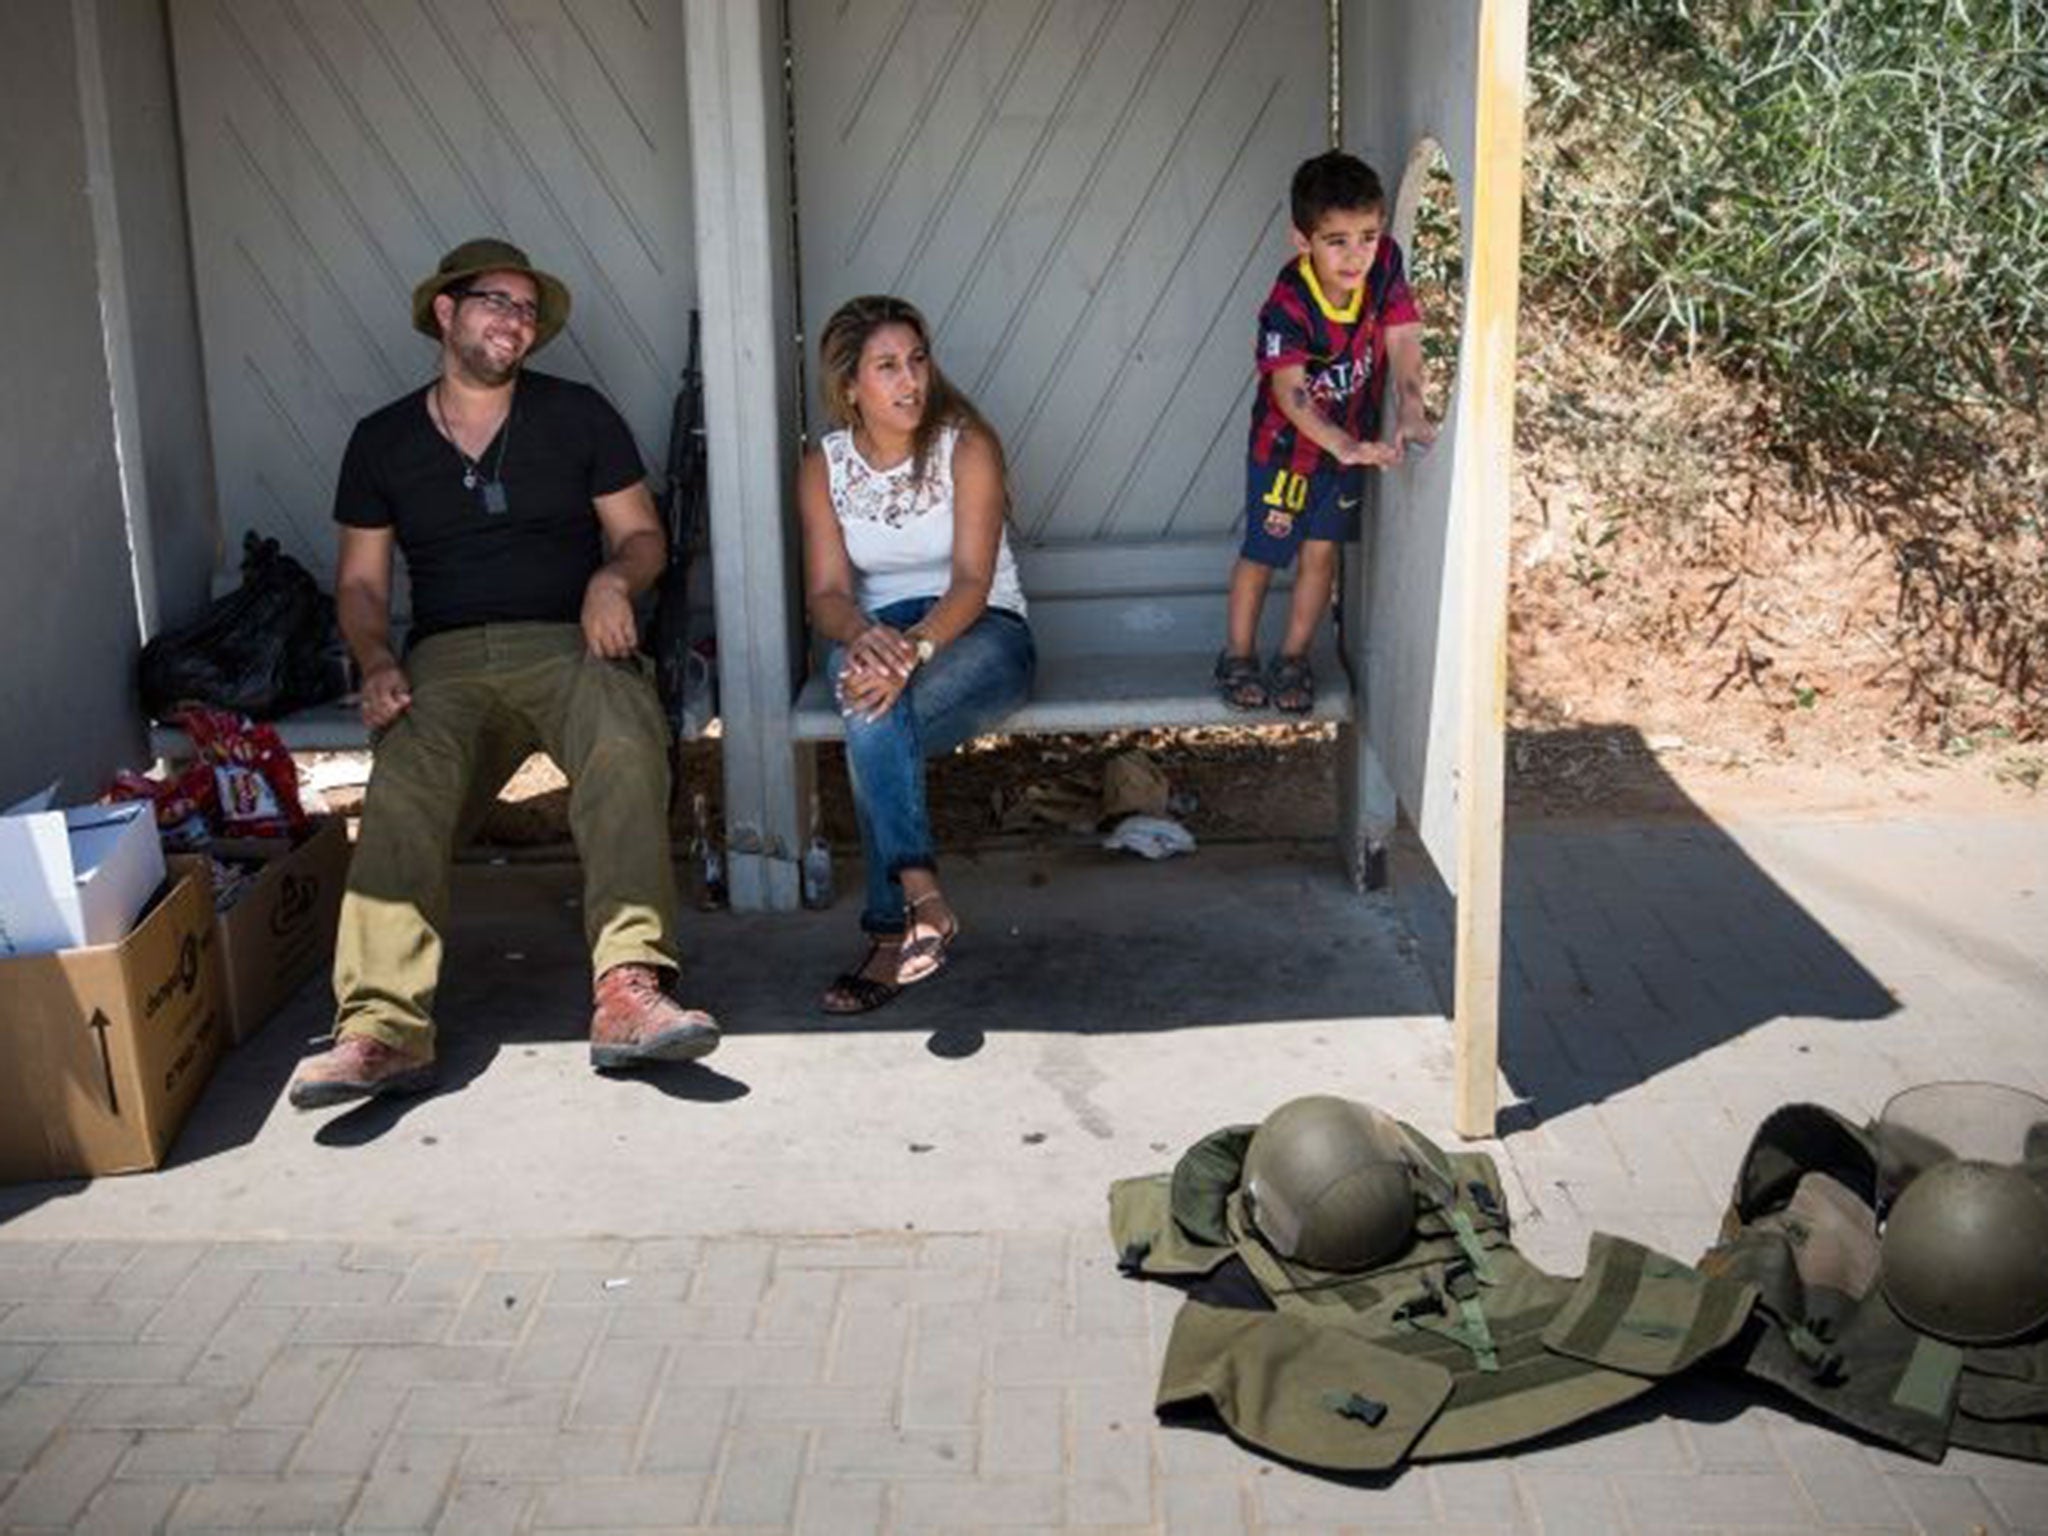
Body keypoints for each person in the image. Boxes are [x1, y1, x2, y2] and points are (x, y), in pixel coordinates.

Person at [288, 237, 718, 1109]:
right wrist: (374, 660)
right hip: (444, 660)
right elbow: (363, 585)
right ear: (445, 312)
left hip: (570, 642)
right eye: (497, 302)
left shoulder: (576, 415)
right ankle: (382, 1030)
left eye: (527, 310)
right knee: (405, 778)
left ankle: (629, 988)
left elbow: (642, 538)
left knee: (627, 741)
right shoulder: (383, 441)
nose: (515, 323)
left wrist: (613, 578)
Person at [798, 295, 1034, 1014]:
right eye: (888, 367)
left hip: (981, 631)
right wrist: (861, 636)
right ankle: (922, 901)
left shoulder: (967, 446)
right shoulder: (823, 466)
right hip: (876, 633)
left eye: (918, 361)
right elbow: (830, 593)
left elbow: (969, 580)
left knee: (871, 713)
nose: (911, 381)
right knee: (872, 705)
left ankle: (890, 923)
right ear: (850, 388)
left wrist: (916, 649)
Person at [1216, 150, 1436, 713]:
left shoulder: (1384, 263)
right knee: (1264, 552)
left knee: (1321, 554)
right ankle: (1237, 656)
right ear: (1303, 240)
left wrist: (1411, 407)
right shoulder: (1288, 303)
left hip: (1347, 451)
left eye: (1367, 234)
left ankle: (1294, 659)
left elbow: (1403, 336)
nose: (1356, 254)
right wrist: (1343, 444)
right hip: (1288, 452)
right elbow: (1291, 395)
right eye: (1337, 240)